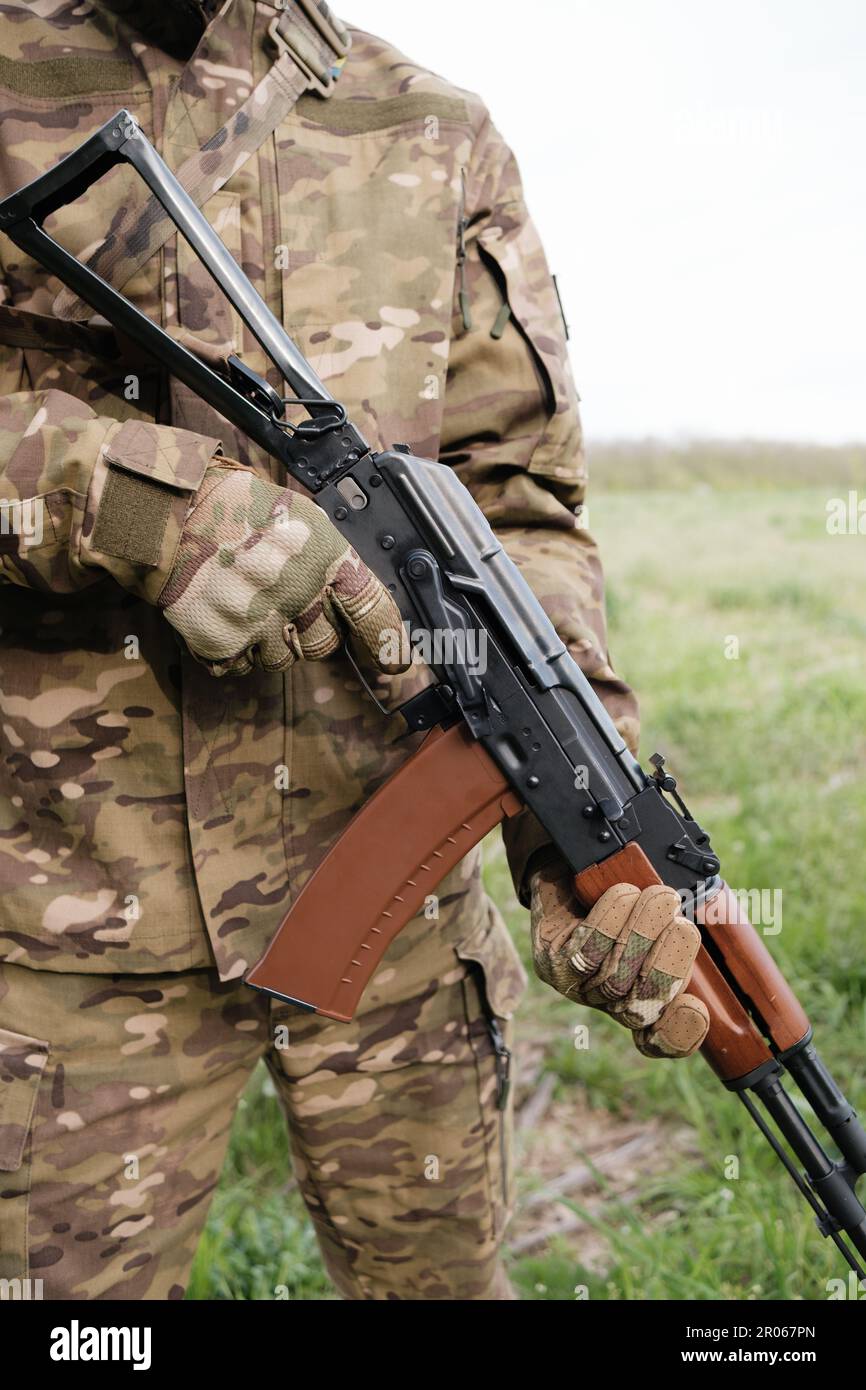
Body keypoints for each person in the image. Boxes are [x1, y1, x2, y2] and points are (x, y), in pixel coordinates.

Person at [0, 0, 706, 1301]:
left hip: (401, 908)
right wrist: (137, 506)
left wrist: (577, 828)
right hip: (64, 908)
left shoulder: (438, 130)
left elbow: (520, 504)